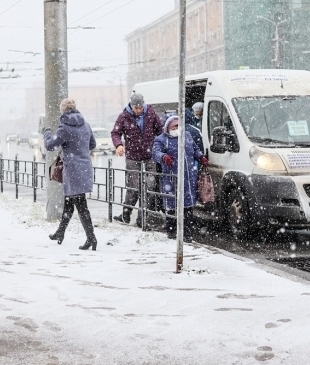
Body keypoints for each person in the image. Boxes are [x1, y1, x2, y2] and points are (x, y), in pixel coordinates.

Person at [43, 98, 98, 251]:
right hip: (85, 168)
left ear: (63, 111)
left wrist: (47, 132)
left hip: (73, 170)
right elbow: (92, 144)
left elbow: (50, 145)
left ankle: (91, 238)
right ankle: (60, 233)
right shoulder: (86, 125)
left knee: (81, 205)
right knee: (69, 202)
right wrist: (80, 150)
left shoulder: (64, 128)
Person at [152, 115, 207, 243]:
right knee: (172, 204)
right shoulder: (161, 140)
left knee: (188, 206)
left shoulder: (186, 136)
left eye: (178, 126)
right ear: (168, 128)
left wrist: (201, 157)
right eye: (174, 126)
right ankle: (171, 231)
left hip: (188, 178)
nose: (177, 128)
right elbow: (155, 153)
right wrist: (164, 157)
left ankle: (187, 233)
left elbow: (195, 149)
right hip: (171, 178)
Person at [111, 93, 164, 226]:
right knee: (133, 186)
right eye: (136, 108)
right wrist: (119, 145)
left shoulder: (151, 113)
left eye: (140, 107)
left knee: (150, 187)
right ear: (131, 106)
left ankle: (142, 218)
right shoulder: (124, 116)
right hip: (133, 157)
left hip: (149, 156)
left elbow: (160, 130)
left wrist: (161, 145)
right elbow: (115, 132)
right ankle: (126, 214)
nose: (139, 110)